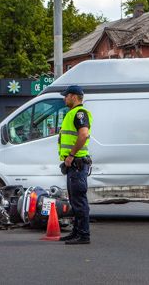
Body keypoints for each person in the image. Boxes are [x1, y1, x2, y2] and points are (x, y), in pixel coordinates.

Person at [58, 85, 93, 245]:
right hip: (73, 165)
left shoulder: (80, 113)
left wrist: (71, 155)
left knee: (79, 201)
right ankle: (76, 232)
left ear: (74, 96)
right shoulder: (72, 114)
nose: (64, 98)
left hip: (77, 164)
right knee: (74, 200)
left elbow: (83, 134)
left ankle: (84, 235)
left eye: (66, 96)